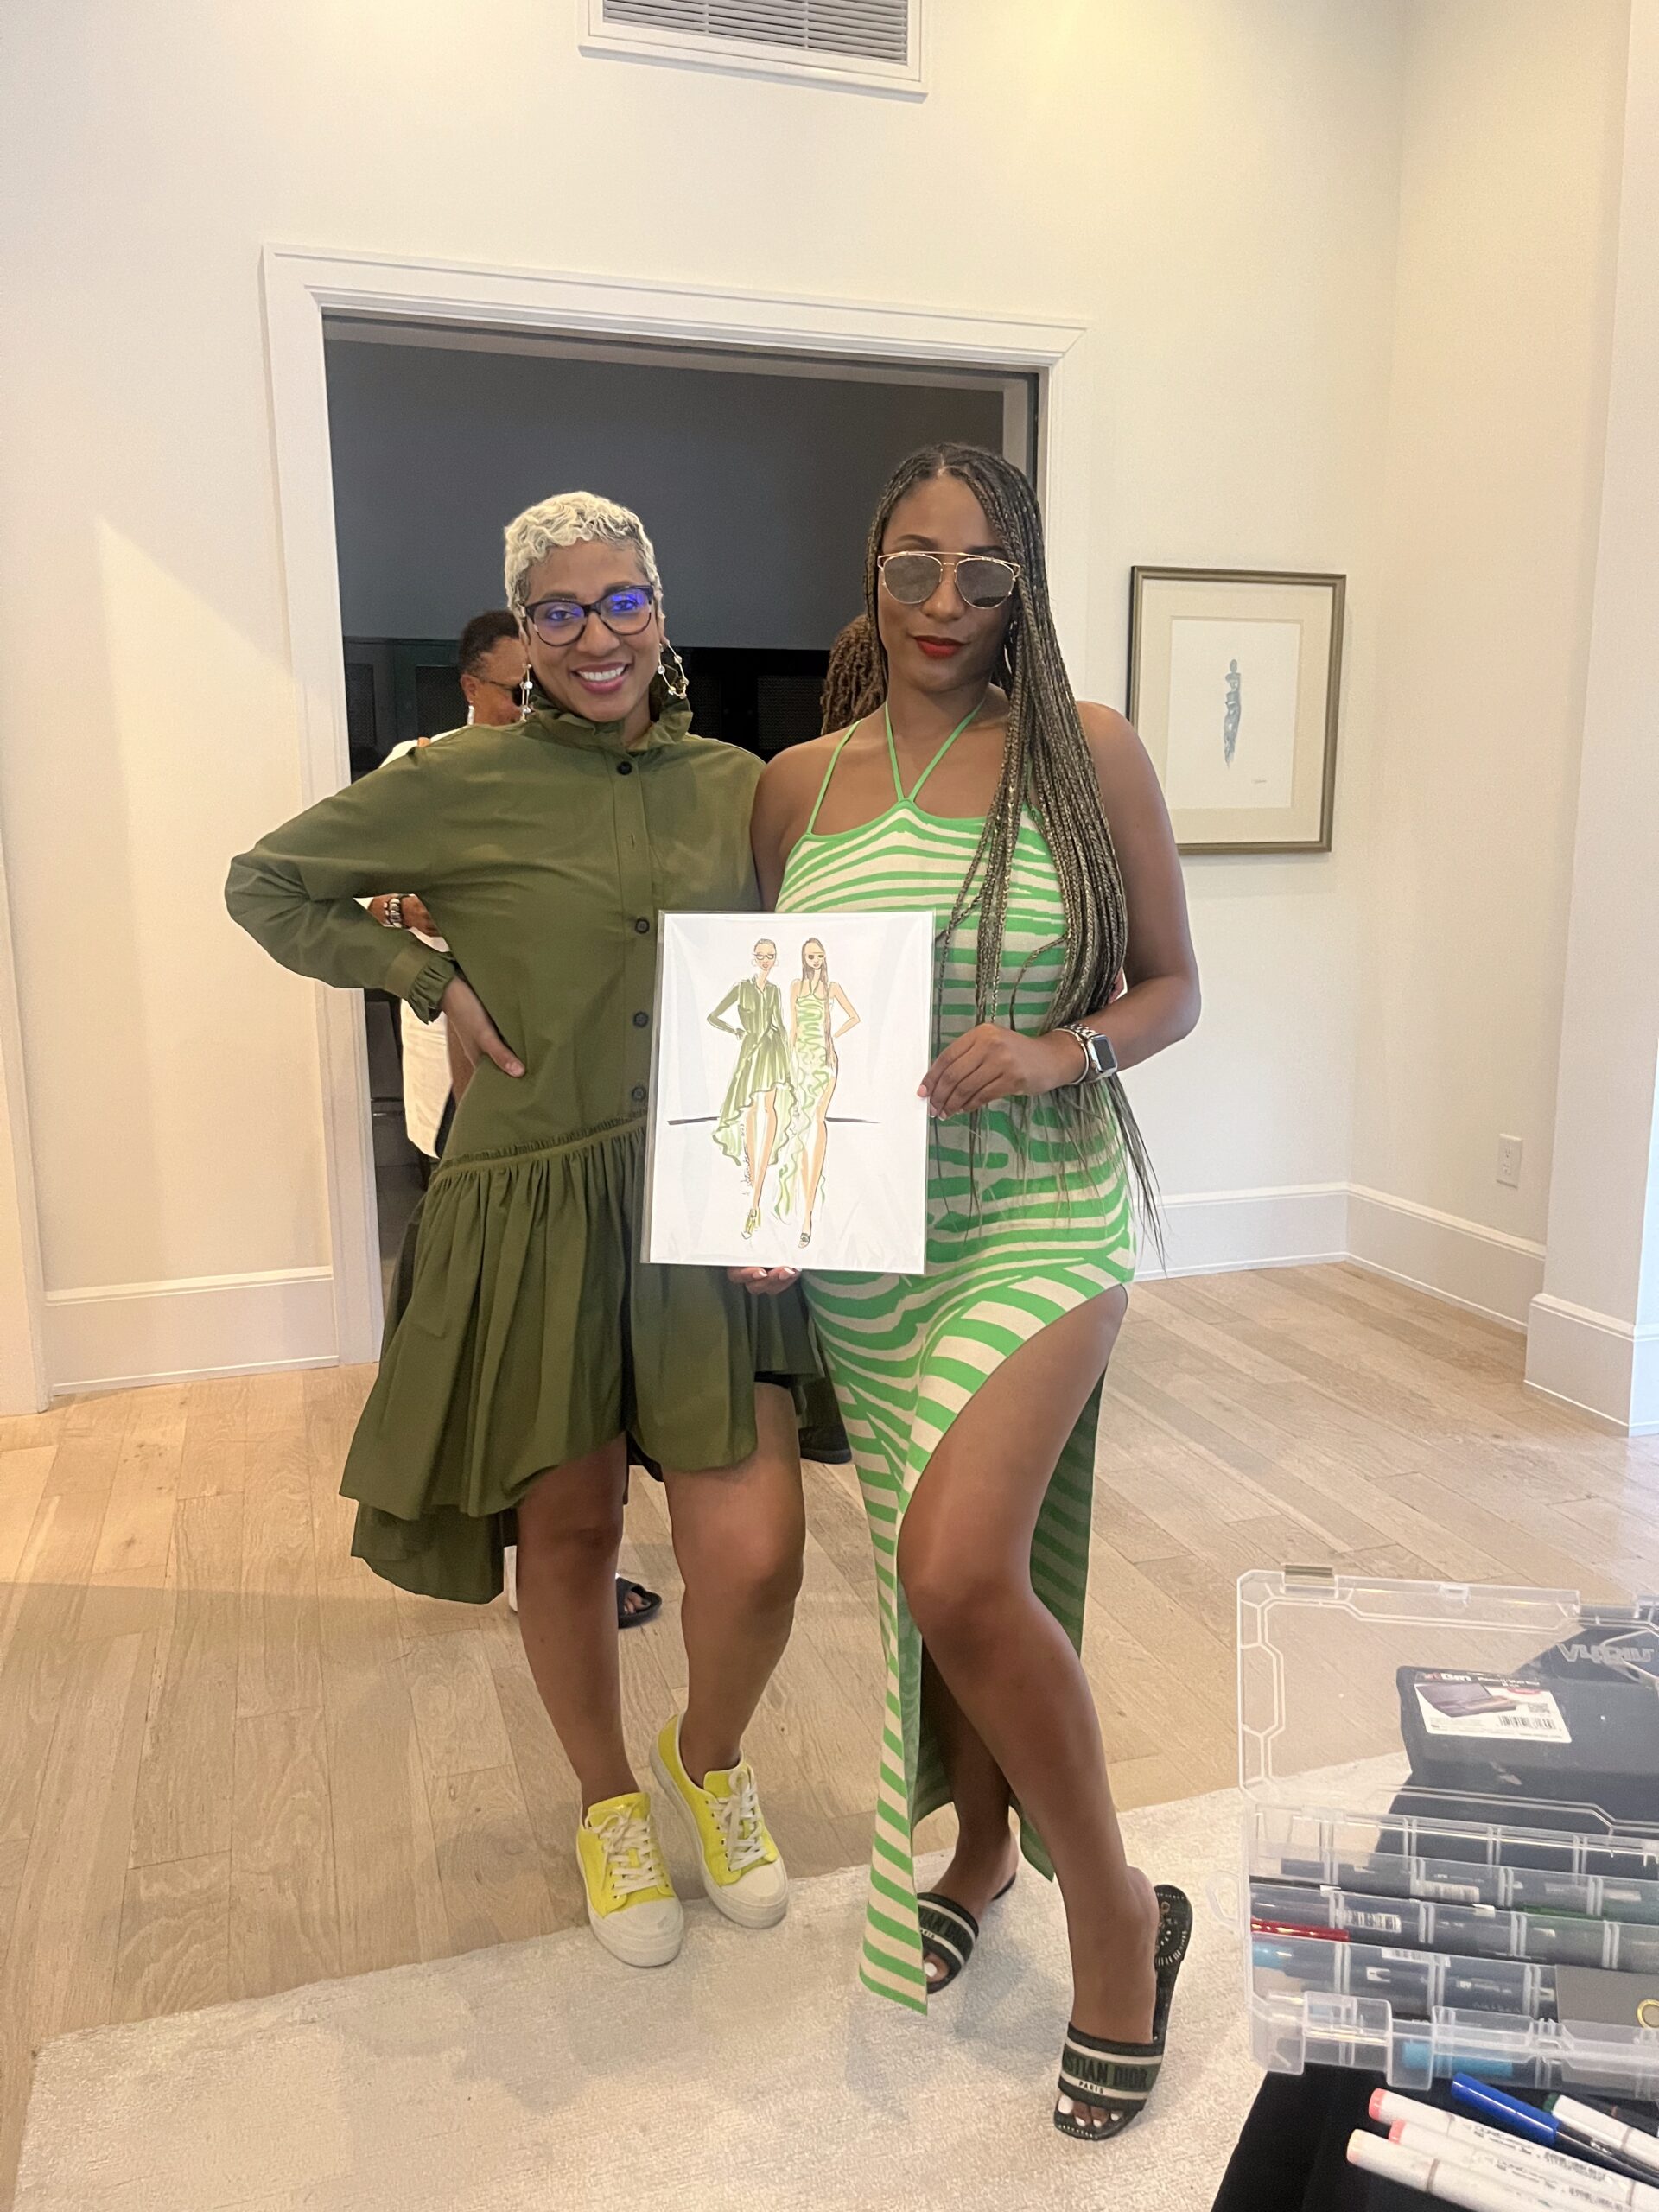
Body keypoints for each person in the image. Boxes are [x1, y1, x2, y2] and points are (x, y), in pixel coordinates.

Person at [227, 491, 823, 1969]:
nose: (595, 636)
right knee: (566, 1531)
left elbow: (807, 971)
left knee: (755, 1552)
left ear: (660, 610)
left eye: (622, 602)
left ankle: (707, 1757)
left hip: (703, 1202)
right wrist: (426, 978)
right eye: (559, 611)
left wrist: (807, 1172)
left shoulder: (742, 785)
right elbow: (266, 884)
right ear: (524, 633)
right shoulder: (454, 780)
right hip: (535, 1200)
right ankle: (608, 1801)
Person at [746, 443, 1202, 2142]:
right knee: (936, 1585)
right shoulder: (797, 785)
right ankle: (982, 1849)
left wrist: (1063, 1046)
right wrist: (770, 1188)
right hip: (875, 1257)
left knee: (956, 1561)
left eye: (984, 573)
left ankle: (1116, 1912)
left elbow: (1174, 986)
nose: (947, 603)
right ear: (870, 573)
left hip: (1046, 1215)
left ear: (1025, 588)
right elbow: (785, 1017)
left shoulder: (1089, 752)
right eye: (914, 566)